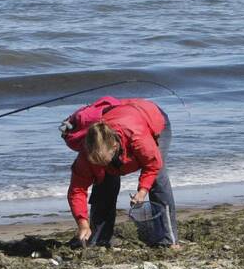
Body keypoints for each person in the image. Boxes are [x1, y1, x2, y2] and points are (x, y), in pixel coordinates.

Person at [67, 98, 180, 248]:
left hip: (152, 120)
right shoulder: (87, 155)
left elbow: (152, 165)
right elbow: (77, 190)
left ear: (114, 147)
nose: (98, 164)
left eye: (102, 161)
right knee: (103, 182)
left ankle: (169, 240)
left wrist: (142, 190)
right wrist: (82, 222)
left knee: (157, 178)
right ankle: (99, 239)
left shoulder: (137, 138)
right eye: (95, 161)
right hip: (123, 117)